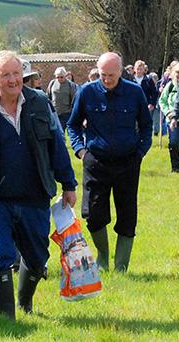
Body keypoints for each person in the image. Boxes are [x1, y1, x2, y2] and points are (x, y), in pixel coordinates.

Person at [0, 50, 77, 320]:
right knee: (2, 252)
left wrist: (68, 183)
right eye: (6, 75)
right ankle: (7, 317)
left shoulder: (40, 103)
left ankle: (25, 303)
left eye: (16, 73)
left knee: (37, 257)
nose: (13, 80)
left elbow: (57, 144)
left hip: (35, 195)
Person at [67, 52, 152, 273]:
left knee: (127, 213)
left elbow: (146, 126)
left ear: (121, 72)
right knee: (93, 214)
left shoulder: (134, 92)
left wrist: (140, 152)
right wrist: (81, 151)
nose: (106, 79)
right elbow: (73, 125)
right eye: (103, 75)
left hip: (128, 162)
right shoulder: (86, 92)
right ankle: (103, 258)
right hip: (96, 161)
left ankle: (121, 266)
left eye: (111, 75)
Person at [159, 62, 179, 173]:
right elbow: (162, 101)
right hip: (171, 120)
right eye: (177, 72)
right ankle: (175, 167)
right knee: (174, 142)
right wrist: (168, 112)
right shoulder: (170, 86)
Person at [132, 60, 160, 136]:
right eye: (137, 69)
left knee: (143, 123)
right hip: (132, 106)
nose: (139, 71)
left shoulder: (148, 80)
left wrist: (152, 104)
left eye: (141, 69)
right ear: (134, 69)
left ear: (144, 70)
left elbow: (154, 93)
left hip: (145, 106)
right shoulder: (130, 80)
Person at [46, 66, 78, 132]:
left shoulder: (70, 85)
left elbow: (74, 99)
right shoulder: (52, 83)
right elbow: (48, 96)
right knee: (56, 132)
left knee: (63, 132)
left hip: (66, 113)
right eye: (57, 77)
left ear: (65, 76)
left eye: (61, 77)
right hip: (55, 112)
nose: (59, 79)